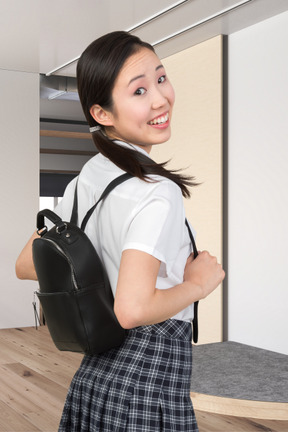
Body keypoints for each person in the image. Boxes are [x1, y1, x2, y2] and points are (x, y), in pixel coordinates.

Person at [16, 31, 225, 432]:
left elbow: (26, 264)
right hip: (148, 378)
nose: (161, 99)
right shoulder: (156, 191)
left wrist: (101, 270)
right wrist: (198, 284)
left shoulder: (85, 180)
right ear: (102, 113)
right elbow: (132, 311)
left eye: (161, 79)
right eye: (139, 90)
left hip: (97, 377)